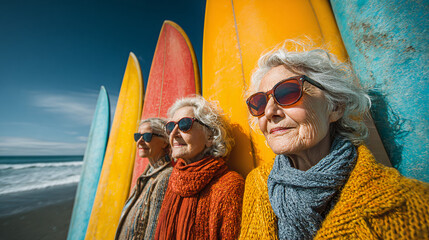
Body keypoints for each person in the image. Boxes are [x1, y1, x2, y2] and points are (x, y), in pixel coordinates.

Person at [239, 44, 429, 239]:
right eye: (259, 103)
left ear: (335, 107)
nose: (269, 112)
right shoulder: (257, 184)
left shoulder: (411, 207)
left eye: (288, 92)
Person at [154, 96, 244, 240]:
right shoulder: (175, 179)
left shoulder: (229, 185)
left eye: (184, 124)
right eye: (171, 126)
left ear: (210, 136)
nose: (174, 133)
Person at [115, 118, 172, 240]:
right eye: (137, 136)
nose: (139, 141)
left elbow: (153, 231)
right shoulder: (148, 174)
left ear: (165, 142)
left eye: (147, 136)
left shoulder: (164, 177)